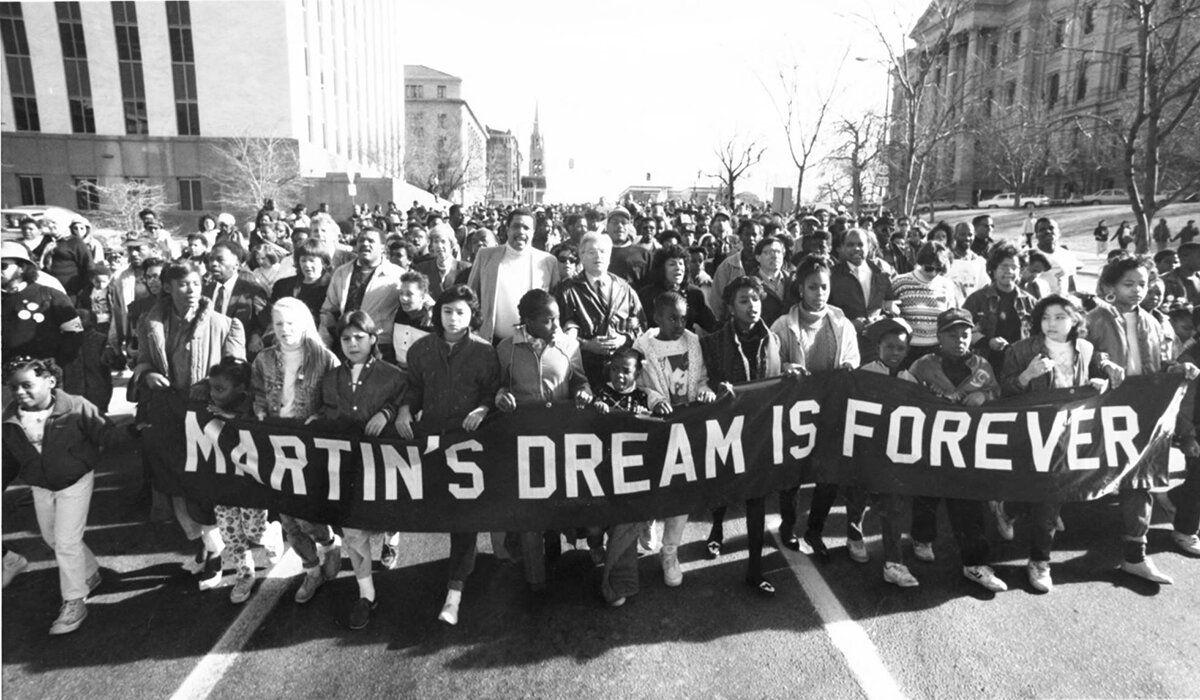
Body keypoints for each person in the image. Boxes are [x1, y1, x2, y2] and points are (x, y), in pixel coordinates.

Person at [1086, 255, 1200, 584]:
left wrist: (1178, 369)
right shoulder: (1093, 319)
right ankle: (1036, 548)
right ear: (1110, 286)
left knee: (1141, 481)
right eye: (1129, 284)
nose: (1137, 290)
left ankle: (1135, 556)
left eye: (1143, 284)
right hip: (1101, 413)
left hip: (1144, 415)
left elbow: (1161, 366)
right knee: (1079, 476)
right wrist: (1102, 364)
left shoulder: (1154, 322)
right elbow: (1081, 357)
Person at [2, 357, 132, 634]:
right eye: (14, 387)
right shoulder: (10, 419)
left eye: (27, 385)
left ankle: (74, 601)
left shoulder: (76, 406)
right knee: (52, 537)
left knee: (66, 542)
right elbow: (8, 459)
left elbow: (106, 433)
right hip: (41, 485)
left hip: (75, 482)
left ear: (50, 381)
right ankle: (90, 572)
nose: (20, 392)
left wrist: (135, 434)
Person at [395, 285, 500, 626]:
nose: (453, 318)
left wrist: (483, 409)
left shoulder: (485, 352)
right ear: (437, 313)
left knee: (464, 518)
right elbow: (413, 387)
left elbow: (491, 393)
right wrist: (404, 410)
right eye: (447, 311)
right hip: (432, 441)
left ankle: (454, 593)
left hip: (468, 446)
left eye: (461, 312)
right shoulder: (421, 349)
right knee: (436, 509)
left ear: (473, 316)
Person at [134, 261, 243, 585]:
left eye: (195, 283)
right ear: (168, 287)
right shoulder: (150, 321)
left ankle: (218, 552)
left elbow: (237, 370)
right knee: (175, 484)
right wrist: (147, 373)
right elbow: (142, 360)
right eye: (182, 284)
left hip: (206, 415)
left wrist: (211, 384)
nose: (191, 289)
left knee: (205, 485)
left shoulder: (225, 324)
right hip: (166, 413)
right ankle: (204, 545)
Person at [1000, 295, 1106, 592]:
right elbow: (1002, 392)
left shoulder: (1085, 349)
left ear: (1075, 320)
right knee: (1029, 489)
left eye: (1060, 317)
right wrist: (1026, 376)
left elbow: (1091, 381)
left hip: (1066, 433)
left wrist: (1098, 384)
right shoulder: (1021, 350)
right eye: (1046, 317)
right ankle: (1008, 509)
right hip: (1030, 431)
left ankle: (1039, 560)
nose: (1051, 324)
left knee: (1050, 498)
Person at [495, 290, 592, 594]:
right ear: (528, 321)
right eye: (548, 320)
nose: (556, 325)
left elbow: (580, 380)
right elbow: (498, 386)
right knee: (528, 509)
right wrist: (500, 397)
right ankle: (535, 582)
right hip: (522, 438)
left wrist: (583, 392)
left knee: (557, 501)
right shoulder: (506, 348)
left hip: (560, 437)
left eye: (557, 318)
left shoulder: (568, 345)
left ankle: (555, 551)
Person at [313, 310, 406, 630]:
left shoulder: (392, 374)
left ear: (373, 338)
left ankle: (393, 536)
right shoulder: (331, 379)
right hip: (350, 467)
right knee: (353, 531)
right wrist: (318, 420)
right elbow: (328, 411)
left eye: (359, 337)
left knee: (390, 513)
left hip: (384, 464)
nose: (352, 344)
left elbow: (407, 402)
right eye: (346, 338)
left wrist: (388, 412)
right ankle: (366, 594)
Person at [908, 308, 1007, 592]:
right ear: (939, 337)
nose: (959, 340)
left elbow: (998, 394)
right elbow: (904, 393)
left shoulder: (982, 366)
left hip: (967, 447)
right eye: (952, 334)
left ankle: (975, 564)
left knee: (969, 503)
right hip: (930, 443)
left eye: (964, 334)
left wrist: (983, 395)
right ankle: (921, 537)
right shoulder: (923, 365)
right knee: (926, 494)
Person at [253, 297, 342, 603]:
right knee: (288, 518)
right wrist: (259, 409)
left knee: (307, 515)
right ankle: (311, 569)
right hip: (276, 443)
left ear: (304, 323)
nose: (284, 329)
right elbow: (257, 391)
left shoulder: (325, 358)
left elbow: (336, 399)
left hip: (309, 446)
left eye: (290, 323)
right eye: (279, 323)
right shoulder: (263, 359)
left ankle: (329, 543)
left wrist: (320, 417)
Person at [771, 255, 861, 556]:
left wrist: (849, 365)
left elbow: (853, 356)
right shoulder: (783, 325)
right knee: (792, 475)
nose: (819, 293)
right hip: (796, 411)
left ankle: (815, 531)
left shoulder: (841, 322)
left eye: (824, 287)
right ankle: (788, 526)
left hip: (831, 410)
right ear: (800, 289)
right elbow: (770, 362)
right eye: (812, 287)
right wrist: (785, 366)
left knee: (828, 474)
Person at [700, 275, 782, 596]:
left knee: (756, 498)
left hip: (759, 430)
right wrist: (714, 389)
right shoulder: (713, 343)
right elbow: (704, 380)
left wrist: (790, 370)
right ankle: (717, 529)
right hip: (726, 429)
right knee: (722, 487)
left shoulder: (772, 339)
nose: (752, 306)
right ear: (731, 308)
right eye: (744, 301)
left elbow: (776, 374)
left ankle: (755, 570)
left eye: (755, 299)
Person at [632, 291, 717, 587]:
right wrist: (655, 399)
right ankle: (648, 520)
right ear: (657, 318)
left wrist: (705, 390)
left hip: (687, 429)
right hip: (656, 430)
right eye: (672, 318)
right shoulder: (642, 346)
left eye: (683, 318)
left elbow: (702, 377)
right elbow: (636, 386)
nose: (679, 324)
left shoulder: (692, 341)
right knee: (654, 485)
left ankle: (670, 552)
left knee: (682, 490)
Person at [852, 318, 920, 586]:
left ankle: (893, 563)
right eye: (889, 347)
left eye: (900, 348)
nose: (894, 353)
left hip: (892, 454)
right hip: (865, 450)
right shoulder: (864, 374)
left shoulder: (909, 379)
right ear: (878, 346)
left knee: (893, 506)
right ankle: (853, 535)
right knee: (857, 498)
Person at [202, 357, 266, 604]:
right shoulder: (207, 404)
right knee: (230, 533)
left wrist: (229, 416)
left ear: (240, 388)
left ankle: (271, 534)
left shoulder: (253, 405)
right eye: (212, 387)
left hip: (249, 484)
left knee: (255, 531)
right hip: (223, 483)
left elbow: (256, 425)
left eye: (220, 389)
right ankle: (244, 574)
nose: (213, 394)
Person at [557, 232, 647, 387]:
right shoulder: (567, 291)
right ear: (581, 256)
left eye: (603, 251)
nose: (598, 256)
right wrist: (586, 344)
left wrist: (624, 339)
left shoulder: (625, 289)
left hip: (620, 375)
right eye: (592, 252)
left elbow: (642, 328)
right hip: (583, 372)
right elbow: (556, 333)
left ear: (610, 256)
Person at [467, 208, 561, 343]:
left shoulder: (548, 261)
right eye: (516, 226)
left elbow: (555, 304)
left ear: (533, 232)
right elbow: (470, 297)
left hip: (533, 343)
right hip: (490, 341)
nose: (521, 231)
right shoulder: (485, 256)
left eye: (526, 228)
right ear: (507, 229)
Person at [319, 227, 405, 362]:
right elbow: (328, 310)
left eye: (371, 241)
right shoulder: (341, 272)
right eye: (361, 240)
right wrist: (324, 347)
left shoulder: (397, 275)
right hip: (347, 344)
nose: (365, 244)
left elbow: (419, 299)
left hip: (380, 346)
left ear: (383, 247)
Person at [2, 241, 83, 368]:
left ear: (22, 268)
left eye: (3, 266)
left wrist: (54, 366)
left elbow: (74, 334)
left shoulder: (50, 295)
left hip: (40, 372)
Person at [885, 241, 962, 367]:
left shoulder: (947, 285)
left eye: (938, 269)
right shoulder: (901, 282)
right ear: (921, 263)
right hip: (907, 347)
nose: (933, 273)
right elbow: (887, 307)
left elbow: (951, 317)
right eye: (929, 268)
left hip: (936, 348)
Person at [962, 243, 1036, 371]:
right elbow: (962, 331)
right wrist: (987, 342)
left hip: (1020, 367)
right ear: (993, 270)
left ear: (1021, 270)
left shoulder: (1030, 302)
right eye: (1004, 267)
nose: (1009, 271)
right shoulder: (976, 299)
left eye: (1014, 267)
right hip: (984, 367)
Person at [829, 228, 893, 360]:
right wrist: (849, 324)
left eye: (860, 244)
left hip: (877, 346)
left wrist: (881, 319)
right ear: (842, 248)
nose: (856, 248)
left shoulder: (882, 274)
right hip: (845, 346)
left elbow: (893, 308)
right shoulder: (832, 276)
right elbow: (825, 313)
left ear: (869, 246)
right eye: (850, 245)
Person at [203, 241, 270, 356]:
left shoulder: (252, 291)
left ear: (236, 264)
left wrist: (256, 335)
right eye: (211, 259)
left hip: (239, 355)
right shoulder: (204, 290)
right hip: (208, 352)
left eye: (220, 260)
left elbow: (265, 323)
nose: (213, 264)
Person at [636, 245, 716, 334]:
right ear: (661, 268)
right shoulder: (646, 295)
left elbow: (712, 325)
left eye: (681, 264)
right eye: (672, 264)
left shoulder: (694, 293)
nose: (678, 268)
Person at [270, 239, 332, 324]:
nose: (307, 265)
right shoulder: (282, 285)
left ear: (323, 262)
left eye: (312, 260)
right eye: (303, 260)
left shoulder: (331, 287)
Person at [415, 224, 471, 299]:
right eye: (436, 242)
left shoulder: (466, 269)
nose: (439, 246)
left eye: (443, 241)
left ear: (451, 244)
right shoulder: (422, 268)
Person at [606, 206, 652, 285]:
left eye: (624, 222)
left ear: (629, 227)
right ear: (607, 227)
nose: (620, 226)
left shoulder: (644, 254)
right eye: (615, 222)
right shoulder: (600, 254)